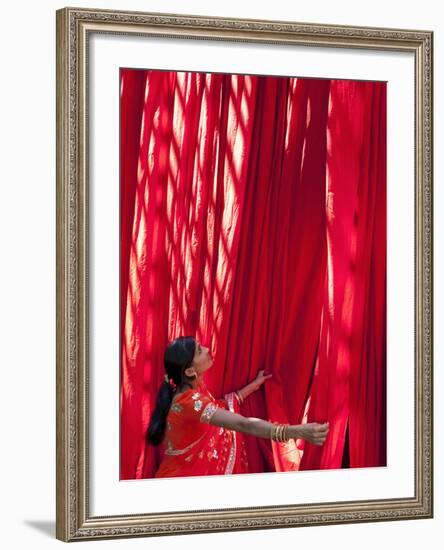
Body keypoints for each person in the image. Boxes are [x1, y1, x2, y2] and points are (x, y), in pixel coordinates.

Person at [147, 336, 329, 478]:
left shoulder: (192, 389)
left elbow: (217, 406)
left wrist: (251, 387)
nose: (208, 349)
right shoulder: (189, 401)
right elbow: (243, 425)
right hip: (184, 482)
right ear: (189, 371)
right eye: (200, 351)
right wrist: (296, 432)